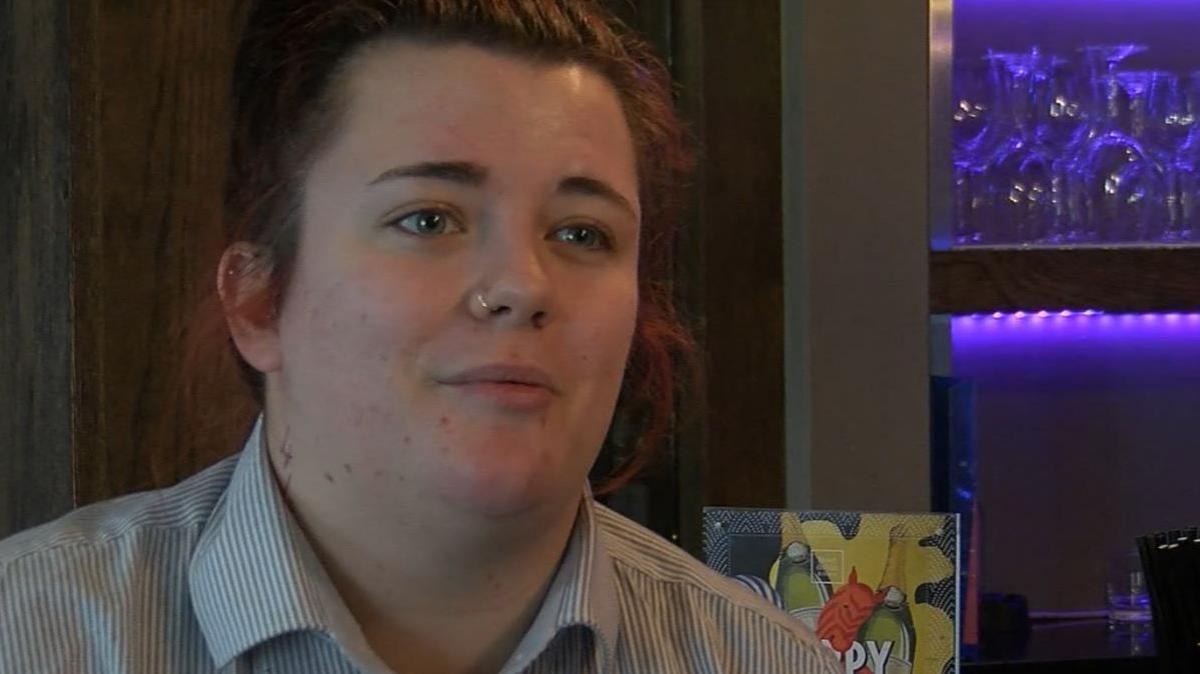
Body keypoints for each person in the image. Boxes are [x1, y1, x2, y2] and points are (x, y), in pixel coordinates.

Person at [0, 2, 839, 673]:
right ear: (258, 302)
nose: (521, 285)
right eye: (427, 218)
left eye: (582, 233)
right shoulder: (31, 635)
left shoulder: (761, 660)